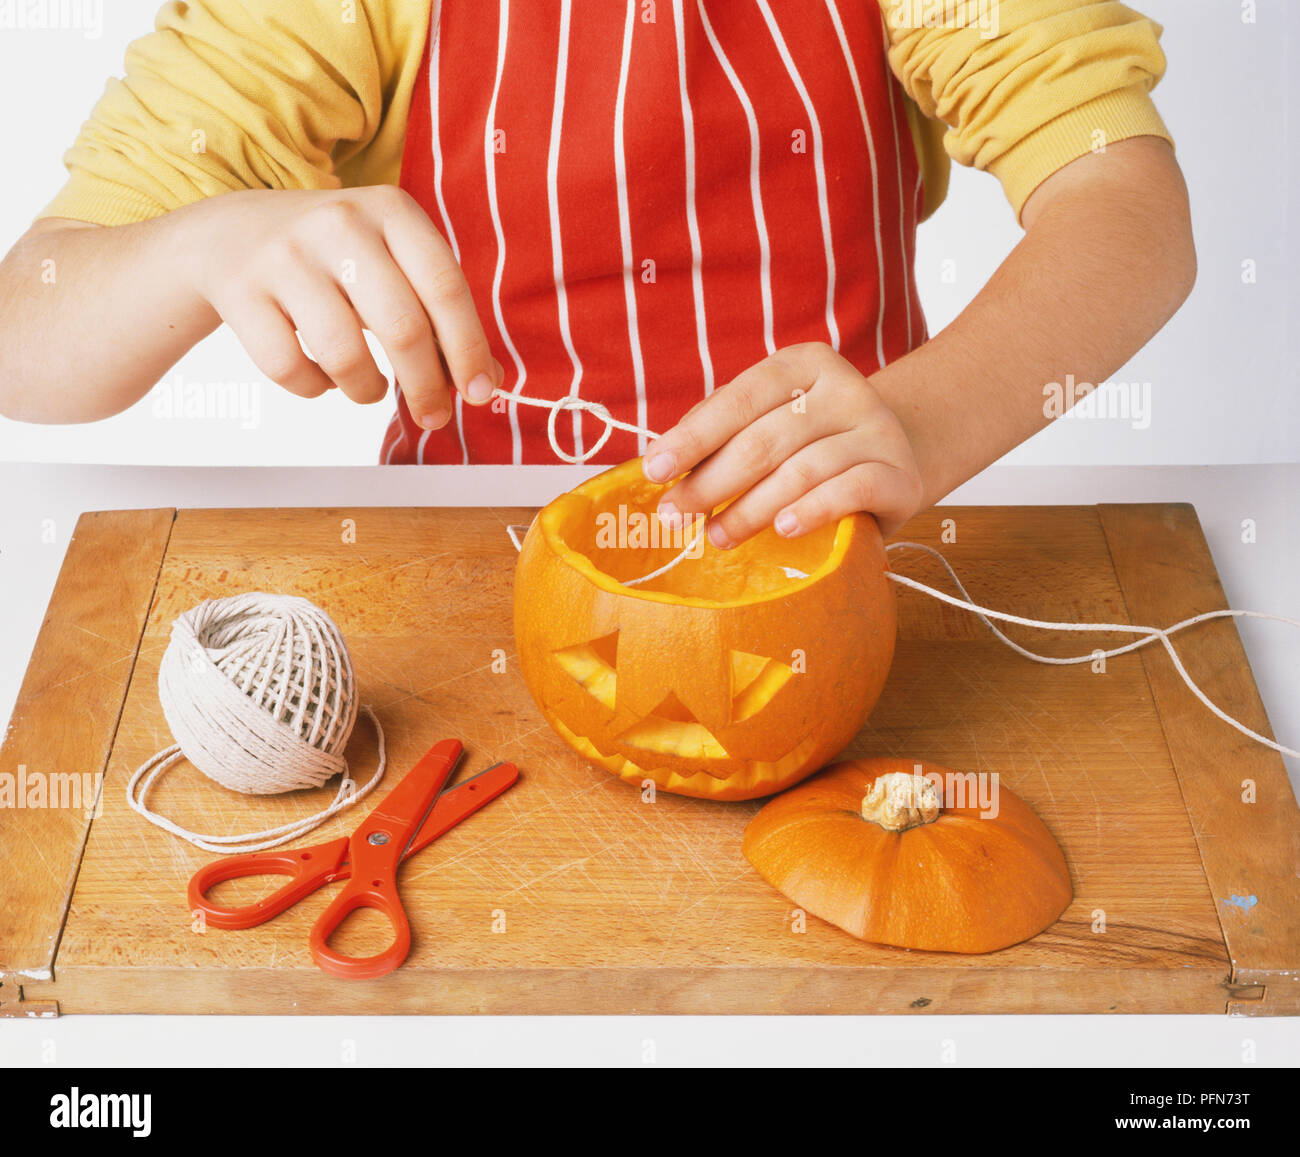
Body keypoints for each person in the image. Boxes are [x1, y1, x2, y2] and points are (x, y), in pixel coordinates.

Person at [0, 0, 1195, 546]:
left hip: (836, 552)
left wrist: (924, 424)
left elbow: (1125, 207)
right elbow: (25, 331)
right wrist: (199, 244)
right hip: (468, 563)